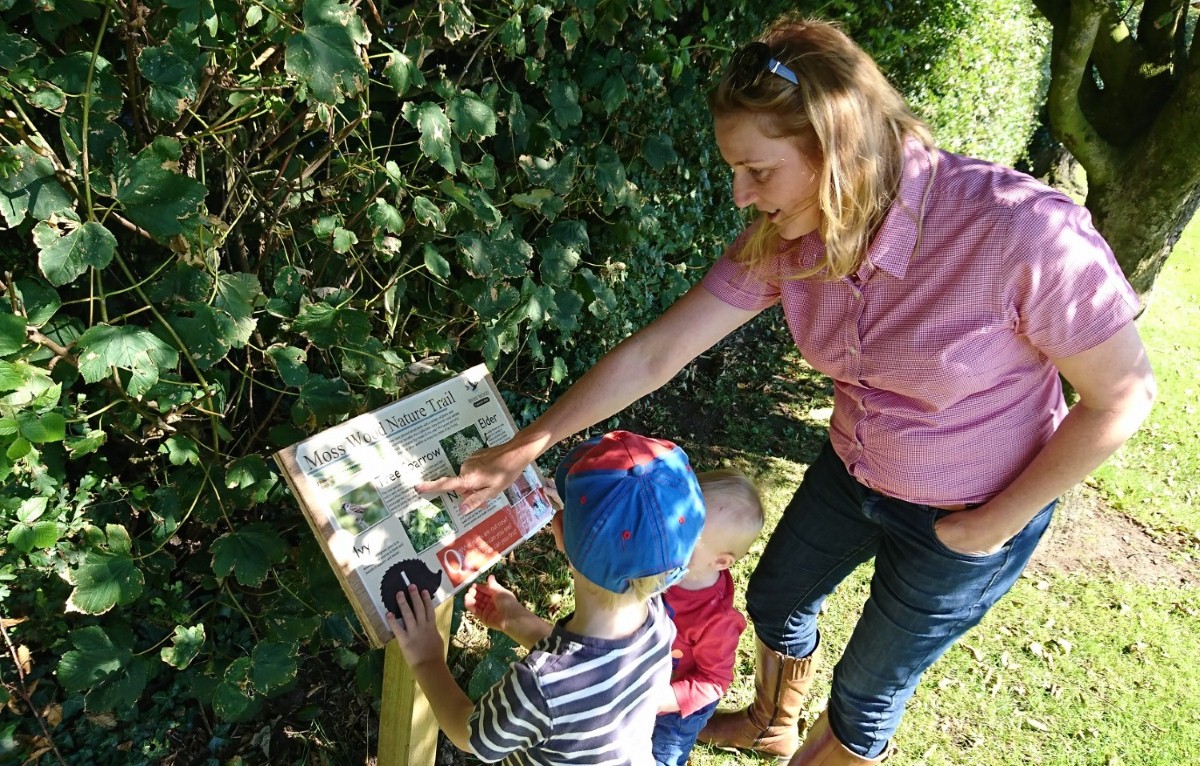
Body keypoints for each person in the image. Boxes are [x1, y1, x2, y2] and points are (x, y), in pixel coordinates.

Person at [418, 15, 1156, 766]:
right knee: (774, 598)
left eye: (758, 171)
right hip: (854, 468)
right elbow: (659, 351)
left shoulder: (1020, 233)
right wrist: (525, 446)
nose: (740, 196)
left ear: (836, 145)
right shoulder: (793, 231)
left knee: (867, 698)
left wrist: (990, 526)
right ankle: (775, 721)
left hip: (973, 508)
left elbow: (1123, 397)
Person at [389, 430, 706, 765]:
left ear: (557, 528)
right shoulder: (658, 621)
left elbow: (470, 736)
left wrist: (427, 659)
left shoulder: (539, 687)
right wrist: (516, 620)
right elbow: (590, 668)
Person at [652, 469, 765, 766]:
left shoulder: (716, 621)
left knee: (658, 758)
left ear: (720, 561)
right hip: (644, 677)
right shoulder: (666, 561)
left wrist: (661, 700)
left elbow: (713, 681)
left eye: (685, 530)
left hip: (675, 711)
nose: (667, 530)